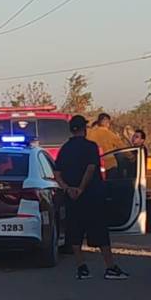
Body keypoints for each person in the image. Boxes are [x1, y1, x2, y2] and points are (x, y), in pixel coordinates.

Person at [54, 115, 129, 280]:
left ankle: (82, 268)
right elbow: (90, 168)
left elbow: (57, 173)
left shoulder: (64, 149)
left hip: (72, 198)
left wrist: (67, 189)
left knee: (75, 233)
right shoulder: (91, 147)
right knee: (100, 231)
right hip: (92, 196)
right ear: (84, 128)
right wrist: (81, 188)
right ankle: (110, 268)